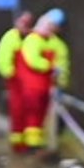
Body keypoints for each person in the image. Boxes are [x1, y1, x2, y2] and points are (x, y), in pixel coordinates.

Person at [16, 8, 65, 154]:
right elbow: (33, 60)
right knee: (33, 114)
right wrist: (50, 67)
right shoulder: (33, 40)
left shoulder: (56, 44)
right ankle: (32, 145)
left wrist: (60, 79)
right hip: (33, 86)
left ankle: (37, 143)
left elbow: (62, 63)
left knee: (41, 115)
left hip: (46, 86)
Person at [0, 10, 33, 153]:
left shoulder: (32, 39)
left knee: (31, 111)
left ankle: (30, 144)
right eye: (23, 22)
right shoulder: (10, 37)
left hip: (30, 82)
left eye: (27, 23)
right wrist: (11, 74)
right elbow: (2, 59)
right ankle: (18, 145)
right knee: (17, 111)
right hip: (16, 82)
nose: (24, 26)